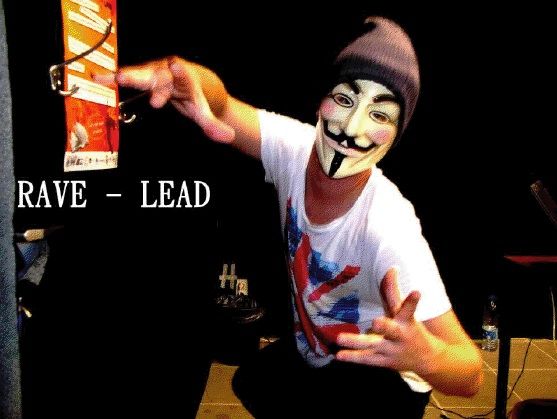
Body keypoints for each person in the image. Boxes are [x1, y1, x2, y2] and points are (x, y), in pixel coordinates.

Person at [96, 16, 483, 418]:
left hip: (379, 375)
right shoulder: (295, 149)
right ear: (322, 100)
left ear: (397, 135)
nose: (353, 128)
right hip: (318, 355)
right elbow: (223, 106)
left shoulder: (389, 227)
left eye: (380, 115)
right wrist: (185, 76)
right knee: (255, 381)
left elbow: (470, 374)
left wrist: (426, 357)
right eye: (345, 100)